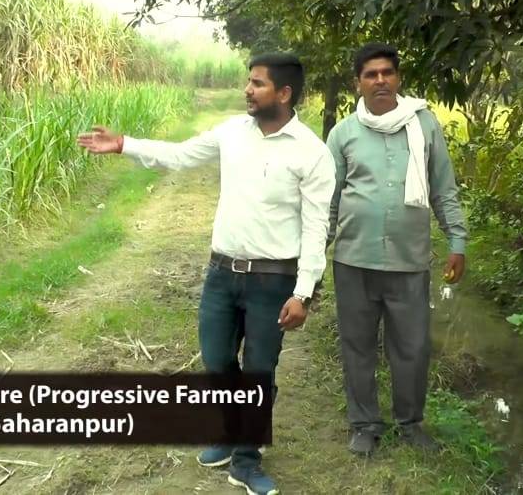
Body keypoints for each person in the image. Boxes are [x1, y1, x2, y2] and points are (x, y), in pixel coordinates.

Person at [77, 52, 335, 495]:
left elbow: (316, 226)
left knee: (258, 371)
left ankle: (247, 459)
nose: (248, 90)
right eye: (248, 82)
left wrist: (304, 292)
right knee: (216, 363)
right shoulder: (233, 132)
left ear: (285, 93)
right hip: (221, 274)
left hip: (272, 281)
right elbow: (179, 155)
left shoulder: (311, 152)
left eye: (257, 83)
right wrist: (125, 145)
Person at [325, 43, 469, 456]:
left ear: (399, 79)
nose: (380, 80)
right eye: (371, 74)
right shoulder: (344, 133)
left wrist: (456, 241)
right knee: (358, 345)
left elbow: (444, 188)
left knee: (413, 347)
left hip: (409, 260)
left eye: (387, 72)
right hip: (354, 260)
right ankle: (364, 424)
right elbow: (329, 201)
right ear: (359, 83)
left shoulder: (424, 126)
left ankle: (411, 423)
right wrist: (314, 258)